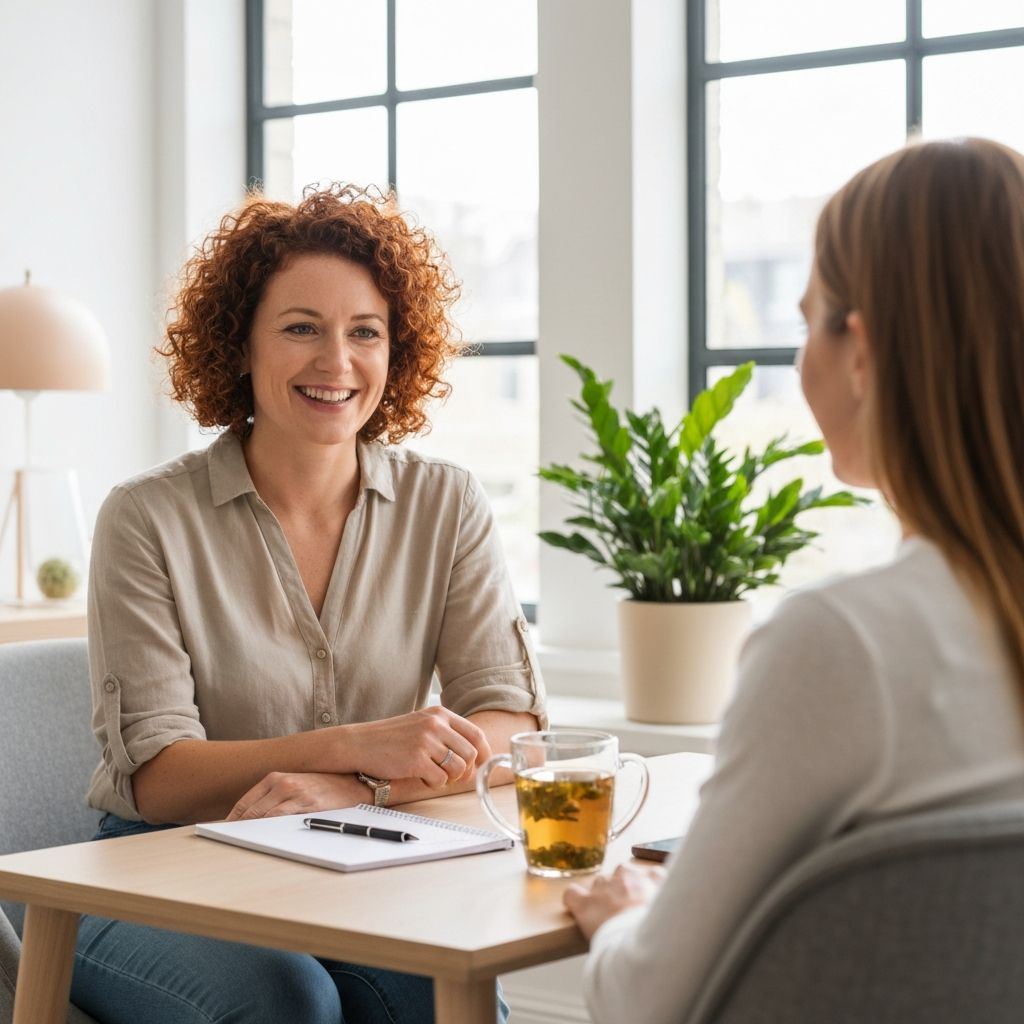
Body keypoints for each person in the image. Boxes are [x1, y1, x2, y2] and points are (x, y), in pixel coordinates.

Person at [564, 136, 1024, 1024]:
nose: (800, 363)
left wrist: (623, 920)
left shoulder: (847, 643)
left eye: (808, 323)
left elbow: (644, 1003)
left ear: (864, 348)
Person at [71, 183, 545, 1024]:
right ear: (239, 346)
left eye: (365, 332)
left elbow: (512, 727)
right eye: (300, 329)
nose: (337, 364)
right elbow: (159, 781)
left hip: (354, 857)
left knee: (446, 994)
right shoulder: (145, 518)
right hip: (154, 869)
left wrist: (359, 791)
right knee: (288, 1002)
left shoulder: (449, 505)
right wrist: (360, 749)